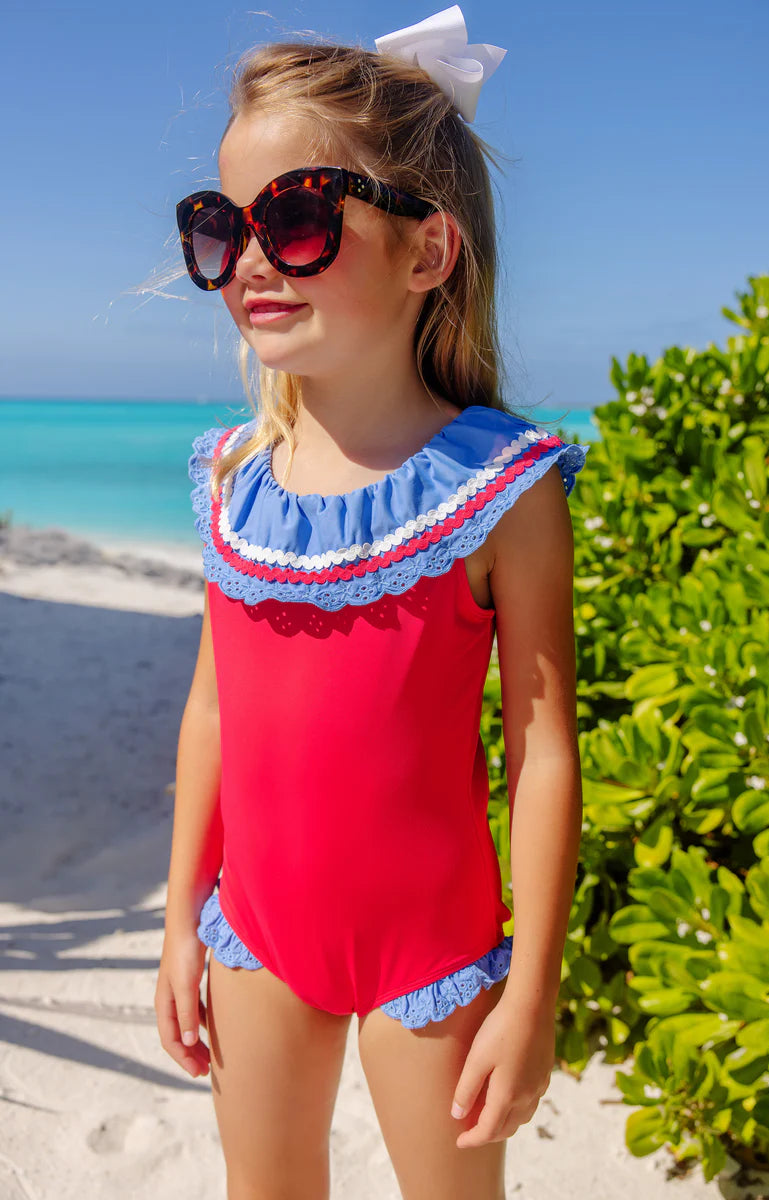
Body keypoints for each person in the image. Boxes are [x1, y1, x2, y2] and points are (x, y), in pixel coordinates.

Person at [154, 7, 590, 1198]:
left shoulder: (503, 491)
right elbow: (214, 715)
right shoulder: (234, 479)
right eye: (221, 226)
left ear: (426, 250)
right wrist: (181, 921)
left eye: (294, 218)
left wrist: (532, 995)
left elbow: (542, 751)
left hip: (434, 958)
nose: (249, 260)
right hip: (255, 938)